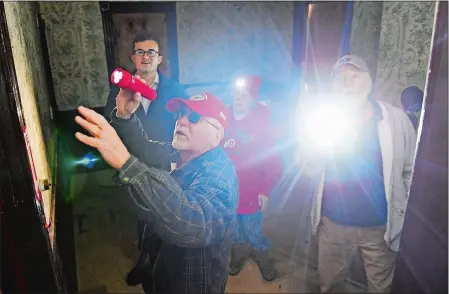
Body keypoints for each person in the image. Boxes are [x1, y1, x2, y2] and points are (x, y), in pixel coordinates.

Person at [75, 87, 238, 293]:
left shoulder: (220, 174)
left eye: (194, 117)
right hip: (163, 267)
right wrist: (125, 116)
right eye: (181, 115)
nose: (182, 121)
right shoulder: (181, 153)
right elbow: (144, 147)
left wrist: (126, 163)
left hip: (192, 283)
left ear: (217, 135)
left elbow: (193, 222)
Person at [297, 55, 417, 293]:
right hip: (334, 224)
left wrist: (404, 212)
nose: (348, 83)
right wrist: (317, 151)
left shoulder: (394, 119)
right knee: (330, 283)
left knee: (381, 286)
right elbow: (306, 170)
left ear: (370, 81)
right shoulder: (320, 120)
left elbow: (411, 169)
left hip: (380, 226)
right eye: (341, 78)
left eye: (355, 76)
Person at [104, 32, 188, 286]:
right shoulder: (120, 90)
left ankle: (173, 261)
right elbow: (113, 126)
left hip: (167, 162)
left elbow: (185, 126)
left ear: (159, 58)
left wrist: (180, 157)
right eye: (140, 52)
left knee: (171, 212)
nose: (145, 56)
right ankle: (146, 260)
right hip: (136, 163)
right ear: (133, 57)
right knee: (143, 215)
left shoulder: (176, 90)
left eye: (151, 52)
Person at [222, 75, 283, 281]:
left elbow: (273, 161)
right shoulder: (222, 119)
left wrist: (265, 190)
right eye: (236, 93)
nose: (239, 98)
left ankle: (263, 257)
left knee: (252, 231)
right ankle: (239, 254)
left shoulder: (262, 125)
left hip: (250, 191)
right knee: (234, 229)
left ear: (254, 99)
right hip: (227, 191)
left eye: (245, 94)